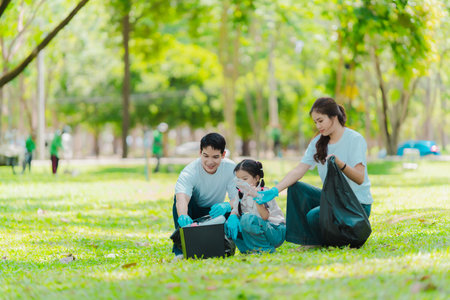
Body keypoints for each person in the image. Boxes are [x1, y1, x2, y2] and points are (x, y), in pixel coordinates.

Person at [257, 97, 373, 247]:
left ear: (334, 117)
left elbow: (359, 177)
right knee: (296, 188)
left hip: (356, 206)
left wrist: (340, 164)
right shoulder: (318, 142)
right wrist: (275, 190)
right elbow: (299, 169)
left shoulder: (354, 139)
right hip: (334, 200)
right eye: (315, 122)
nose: (318, 126)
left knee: (314, 216)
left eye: (320, 121)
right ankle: (307, 241)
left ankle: (319, 241)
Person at [172, 132, 238, 258]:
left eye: (215, 157)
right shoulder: (190, 171)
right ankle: (180, 249)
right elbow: (181, 199)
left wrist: (228, 207)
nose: (209, 162)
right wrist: (183, 215)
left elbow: (238, 198)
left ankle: (237, 244)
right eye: (205, 156)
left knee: (241, 208)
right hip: (194, 212)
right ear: (200, 152)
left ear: (223, 155)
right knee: (179, 201)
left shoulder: (230, 168)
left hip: (216, 212)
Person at [225, 159, 286, 253]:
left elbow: (265, 216)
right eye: (238, 179)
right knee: (230, 223)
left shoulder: (264, 193)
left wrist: (256, 198)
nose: (241, 182)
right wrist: (232, 216)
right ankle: (248, 250)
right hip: (261, 228)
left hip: (275, 231)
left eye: (245, 179)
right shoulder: (240, 194)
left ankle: (264, 249)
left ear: (256, 178)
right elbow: (236, 211)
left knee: (247, 219)